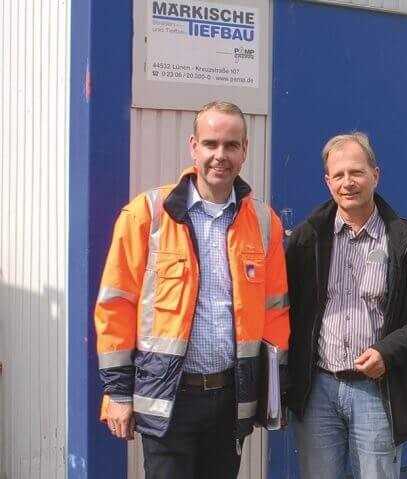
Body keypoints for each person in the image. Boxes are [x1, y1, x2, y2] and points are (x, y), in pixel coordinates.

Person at [94, 101, 290, 479]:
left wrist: (272, 392)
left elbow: (275, 311)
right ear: (193, 147)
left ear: (245, 150)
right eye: (211, 144)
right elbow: (115, 305)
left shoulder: (265, 222)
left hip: (229, 400)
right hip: (170, 399)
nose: (220, 155)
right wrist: (118, 393)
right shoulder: (147, 214)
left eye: (231, 145)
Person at [286, 132, 407, 478]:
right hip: (318, 392)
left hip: (378, 392)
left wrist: (388, 352)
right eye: (339, 175)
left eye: (357, 172)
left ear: (376, 174)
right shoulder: (306, 240)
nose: (348, 182)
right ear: (327, 182)